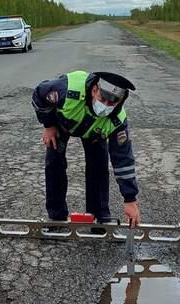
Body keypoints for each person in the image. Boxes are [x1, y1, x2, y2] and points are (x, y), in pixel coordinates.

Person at [32, 70, 141, 228]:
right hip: (63, 123)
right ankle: (56, 217)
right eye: (103, 99)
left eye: (112, 103)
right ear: (94, 90)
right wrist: (48, 125)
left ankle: (98, 217)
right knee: (54, 163)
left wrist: (130, 199)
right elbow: (39, 94)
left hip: (94, 132)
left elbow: (123, 160)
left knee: (99, 168)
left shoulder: (117, 121)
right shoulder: (66, 90)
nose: (106, 106)